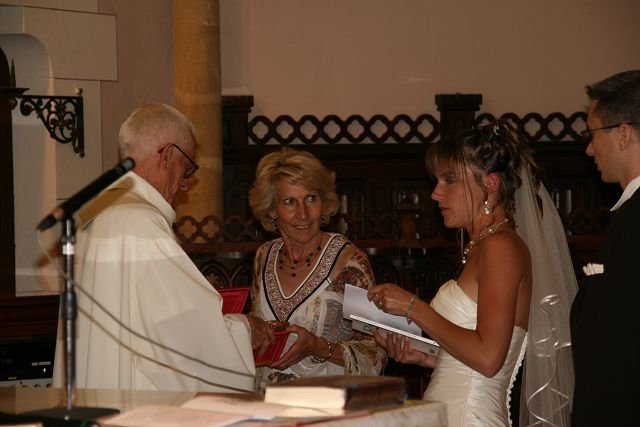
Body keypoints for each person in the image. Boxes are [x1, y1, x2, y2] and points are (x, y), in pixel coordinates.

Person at [52, 103, 273, 393]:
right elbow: (181, 339)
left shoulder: (95, 217)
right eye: (188, 167)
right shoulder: (141, 225)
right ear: (167, 155)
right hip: (133, 403)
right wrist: (244, 330)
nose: (186, 183)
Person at [368, 121, 577, 426]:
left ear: (490, 184)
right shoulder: (484, 245)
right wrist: (427, 356)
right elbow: (477, 362)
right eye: (437, 181)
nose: (436, 194)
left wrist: (412, 307)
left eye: (449, 180)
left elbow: (489, 359)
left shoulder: (501, 247)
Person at [248, 148, 386, 392]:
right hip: (266, 403)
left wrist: (319, 347)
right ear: (271, 210)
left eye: (311, 199)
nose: (303, 214)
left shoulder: (349, 263)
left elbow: (377, 351)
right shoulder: (264, 256)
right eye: (290, 202)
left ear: (323, 204)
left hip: (328, 404)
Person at [570, 70, 640, 426]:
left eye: (592, 133)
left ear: (623, 134)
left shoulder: (635, 220)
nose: (588, 148)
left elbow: (619, 343)